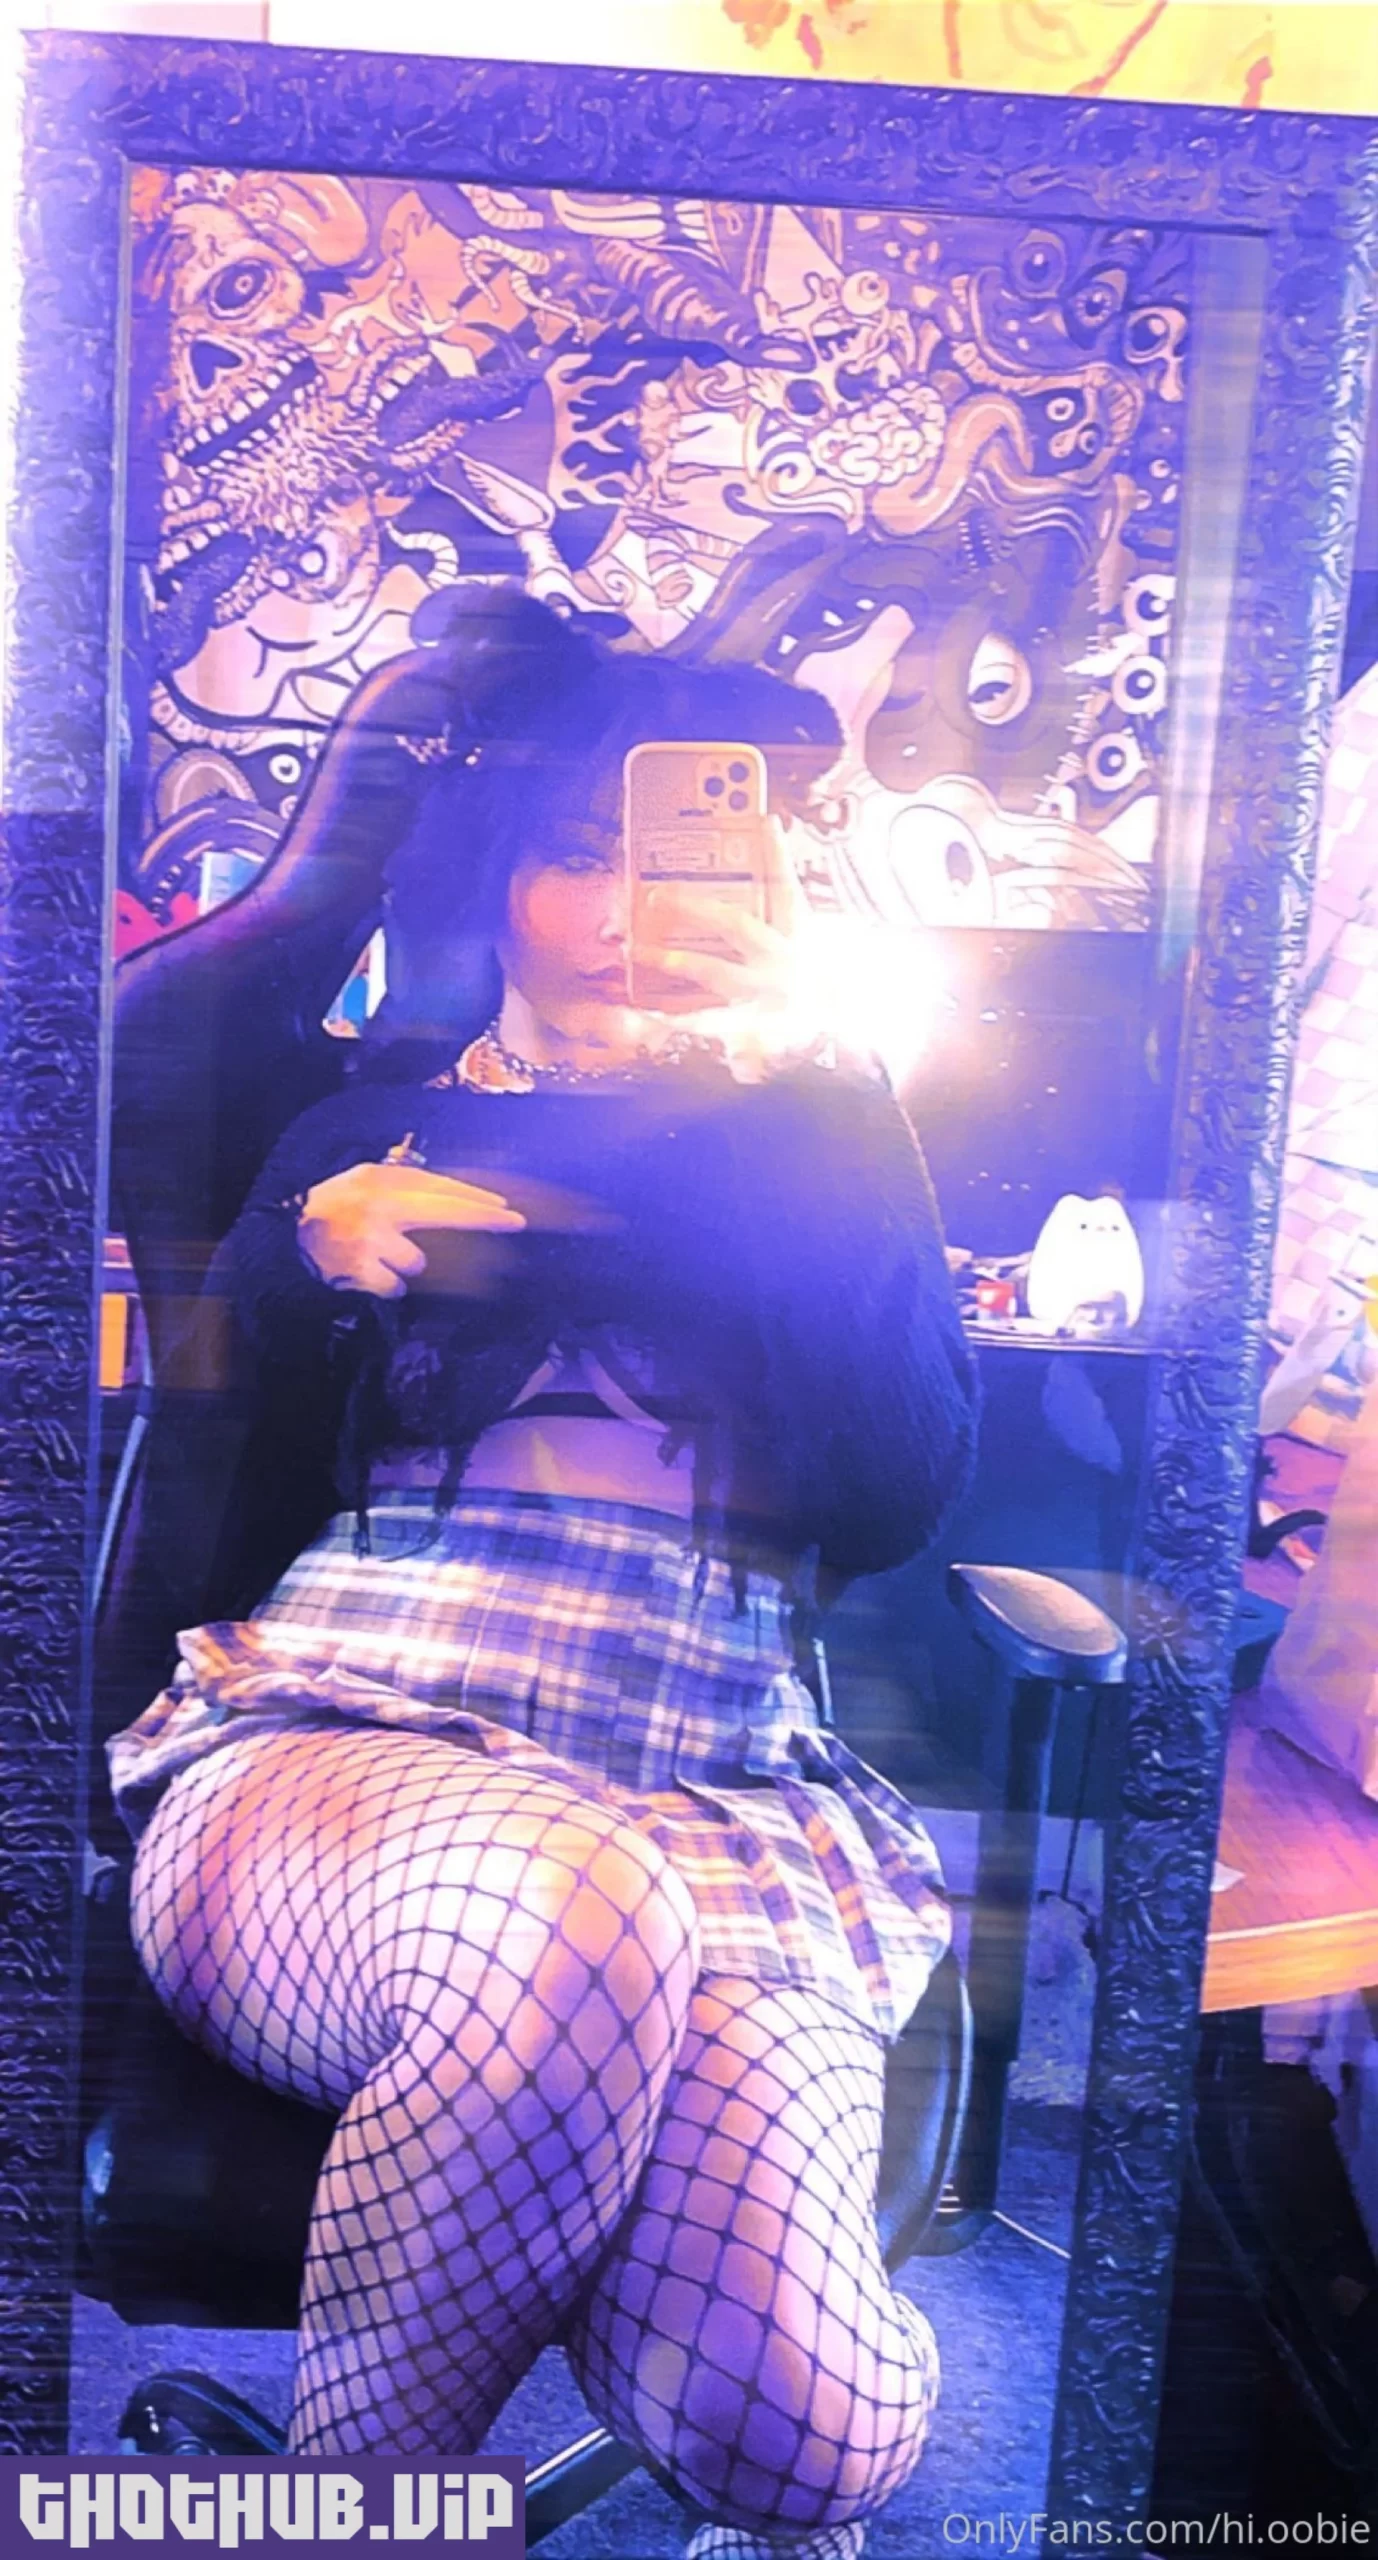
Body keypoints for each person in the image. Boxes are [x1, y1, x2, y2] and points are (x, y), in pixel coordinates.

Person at [107, 589, 979, 2559]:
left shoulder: (820, 1138)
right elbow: (202, 1470)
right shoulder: (366, 1122)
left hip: (714, 1796)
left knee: (808, 2433)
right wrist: (300, 1262)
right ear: (497, 874)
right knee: (568, 1909)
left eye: (675, 850)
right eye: (576, 849)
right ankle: (357, 2515)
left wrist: (828, 1103)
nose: (620, 905)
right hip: (332, 1759)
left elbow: (890, 1499)